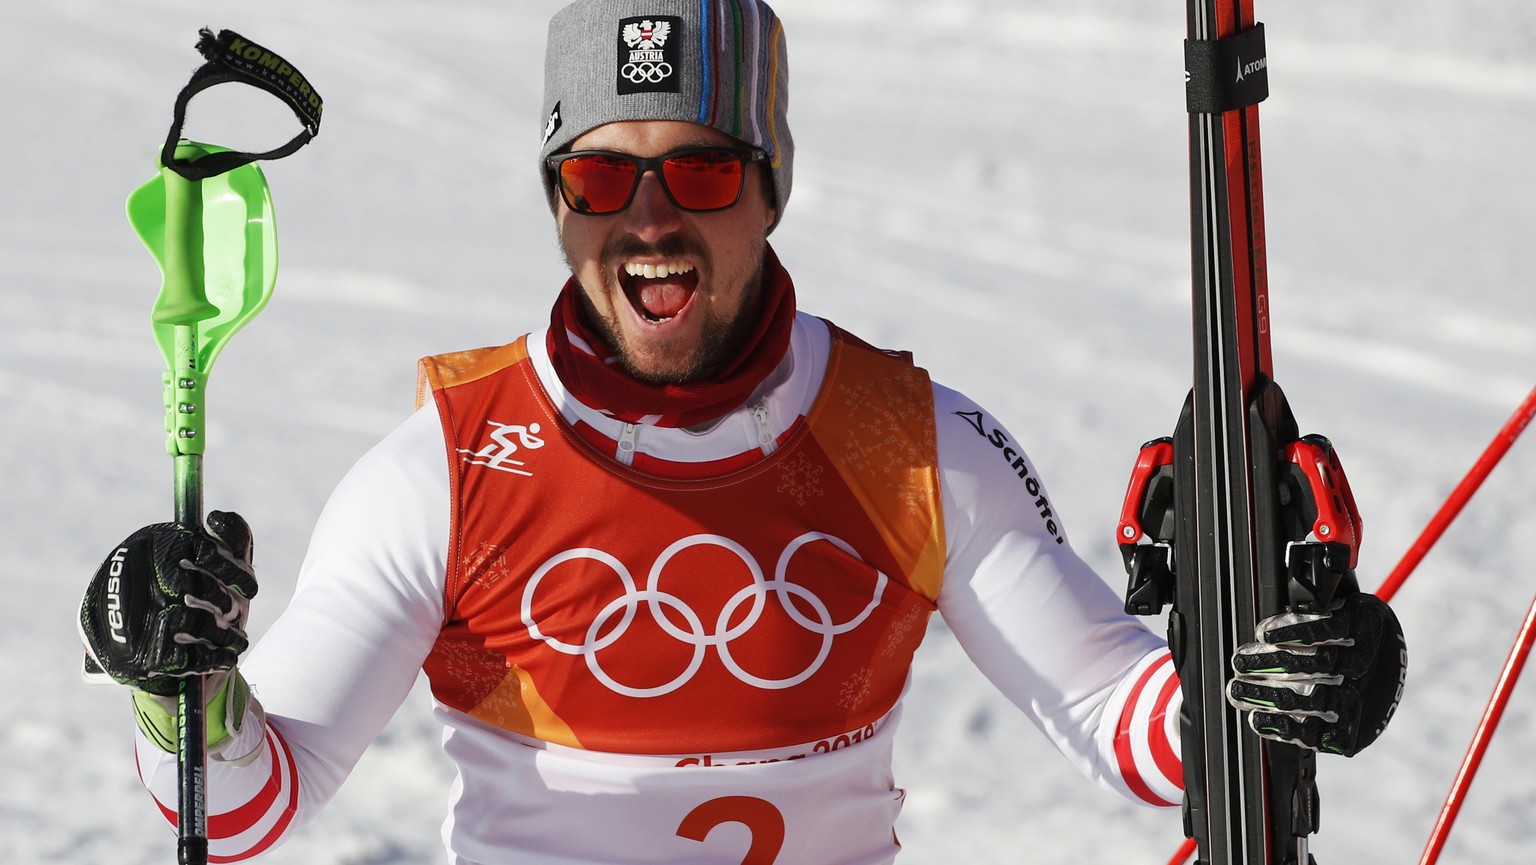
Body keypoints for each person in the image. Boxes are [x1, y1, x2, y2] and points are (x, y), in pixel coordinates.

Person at [78, 2, 1407, 863]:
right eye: (602, 175)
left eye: (701, 170)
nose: (649, 221)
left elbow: (1132, 722)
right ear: (556, 201)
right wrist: (173, 679)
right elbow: (248, 805)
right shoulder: (444, 466)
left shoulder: (908, 443)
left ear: (770, 188)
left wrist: (1298, 677)